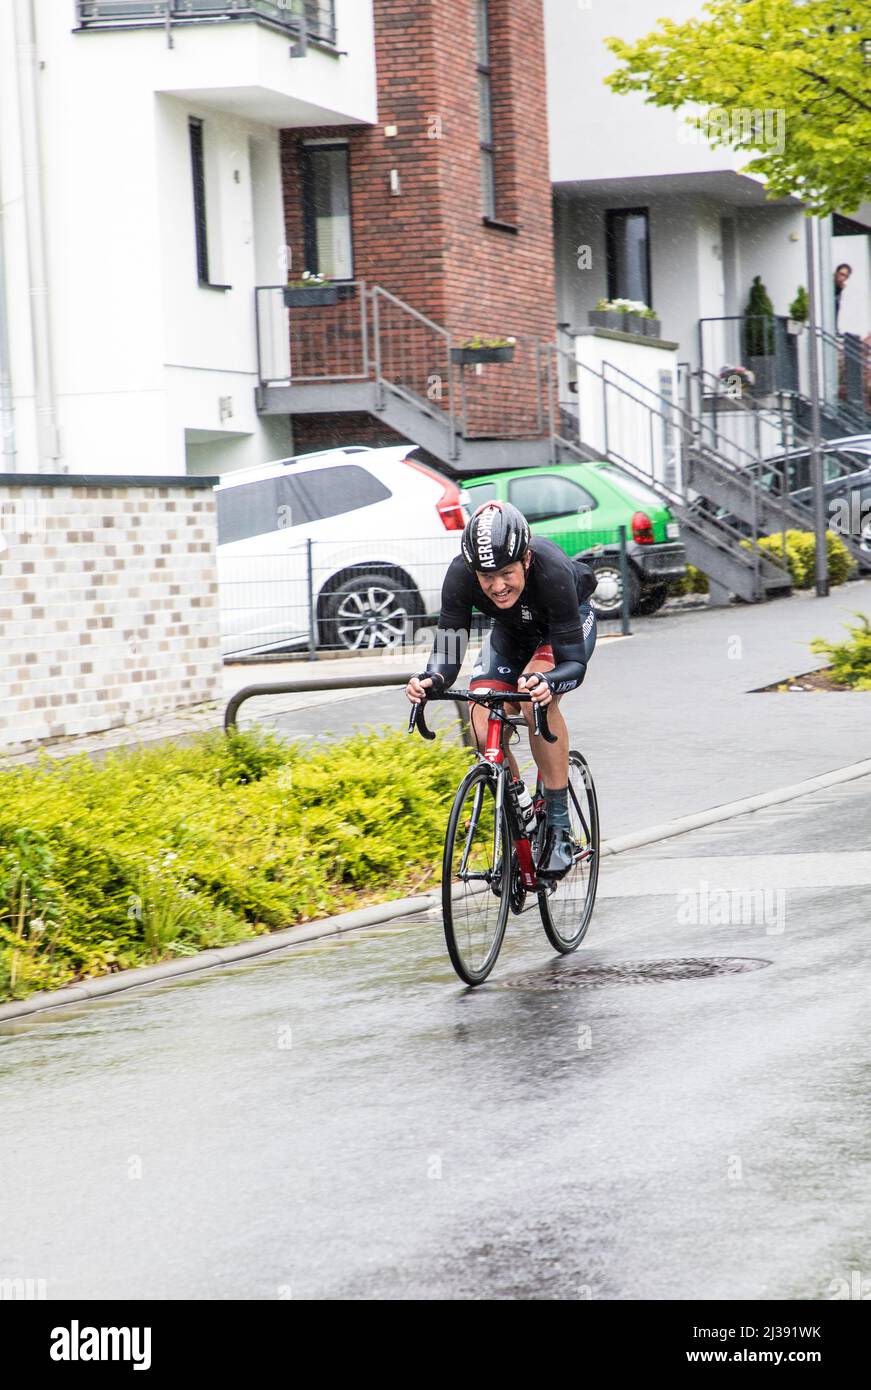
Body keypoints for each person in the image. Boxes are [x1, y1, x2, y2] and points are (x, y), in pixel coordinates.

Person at [406, 500, 598, 881]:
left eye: (506, 573)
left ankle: (558, 824)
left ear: (526, 559)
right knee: (481, 720)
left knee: (532, 701)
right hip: (511, 634)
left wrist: (549, 683)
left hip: (562, 630)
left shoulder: (553, 569)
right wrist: (432, 679)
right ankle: (520, 808)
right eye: (486, 576)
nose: (497, 586)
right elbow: (448, 649)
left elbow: (574, 664)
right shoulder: (461, 574)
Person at [834, 263, 852, 330]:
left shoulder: (840, 288)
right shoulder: (829, 286)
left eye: (845, 276)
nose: (842, 278)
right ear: (836, 273)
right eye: (841, 274)